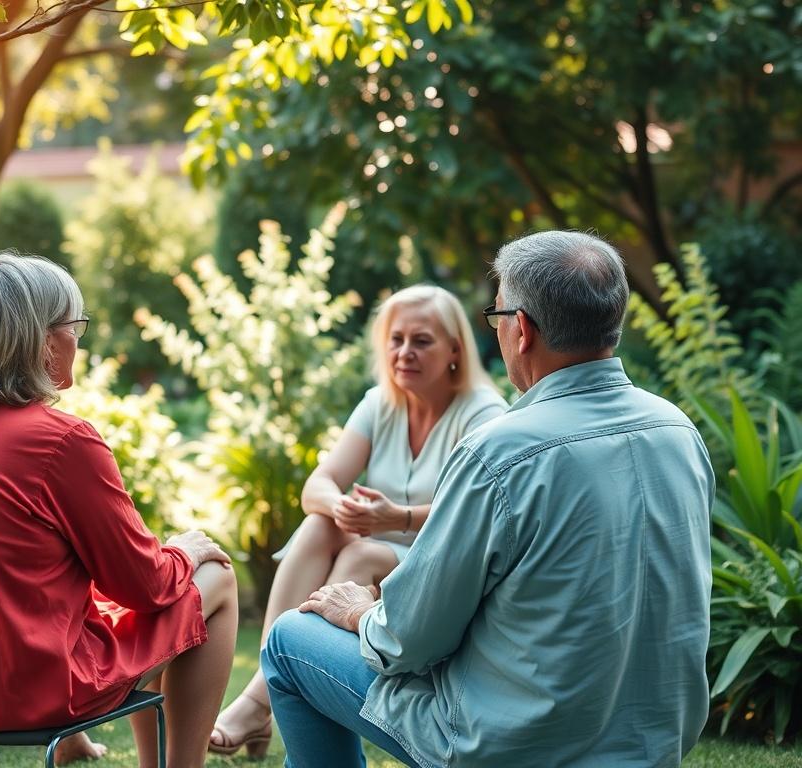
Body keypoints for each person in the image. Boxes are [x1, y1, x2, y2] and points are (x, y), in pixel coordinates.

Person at [261, 231, 714, 767]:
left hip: (507, 747)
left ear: (520, 329)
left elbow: (406, 642)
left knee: (291, 638)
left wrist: (362, 613)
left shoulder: (498, 451)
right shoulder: (678, 431)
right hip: (649, 746)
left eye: (496, 318)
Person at [0, 252, 237, 768]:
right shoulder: (61, 441)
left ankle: (72, 745)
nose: (78, 340)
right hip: (26, 693)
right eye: (75, 326)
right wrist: (182, 550)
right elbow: (145, 586)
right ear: (41, 341)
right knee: (215, 578)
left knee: (92, 592)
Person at [209, 285, 507, 757]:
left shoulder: (484, 413)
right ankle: (266, 696)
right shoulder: (380, 403)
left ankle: (256, 703)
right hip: (379, 547)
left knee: (362, 550)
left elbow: (480, 512)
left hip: (440, 566)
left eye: (421, 341)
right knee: (319, 526)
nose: (404, 352)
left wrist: (399, 517)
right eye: (396, 339)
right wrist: (342, 506)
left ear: (455, 348)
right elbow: (318, 485)